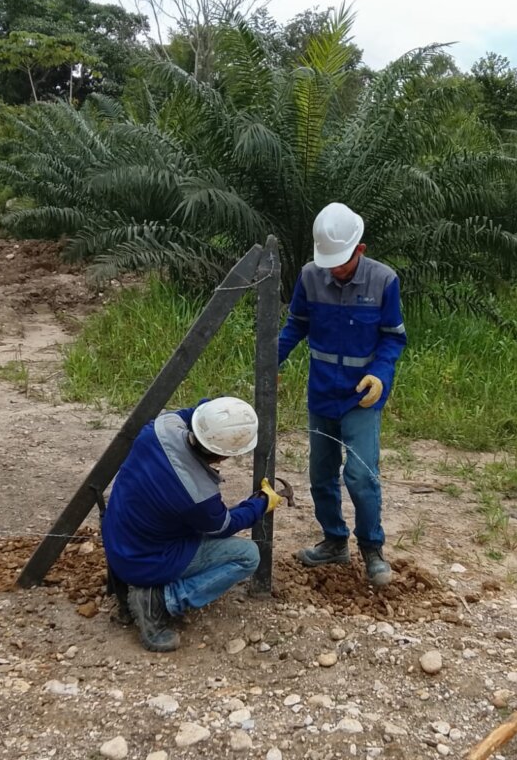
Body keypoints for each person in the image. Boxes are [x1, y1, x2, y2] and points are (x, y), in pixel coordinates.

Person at [278, 202, 407, 587]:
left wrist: (380, 376)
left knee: (361, 475)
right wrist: (270, 361)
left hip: (360, 397)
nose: (334, 270)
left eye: (342, 263)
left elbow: (392, 339)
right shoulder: (310, 276)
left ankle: (372, 548)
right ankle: (334, 541)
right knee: (321, 474)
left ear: (360, 249)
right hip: (322, 393)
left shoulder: (384, 281)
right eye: (329, 263)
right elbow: (296, 326)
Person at [102, 396, 284, 652]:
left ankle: (130, 583)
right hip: (143, 561)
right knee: (247, 556)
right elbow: (225, 525)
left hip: (117, 538)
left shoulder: (159, 428)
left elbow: (194, 413)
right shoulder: (199, 494)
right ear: (223, 456)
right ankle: (161, 599)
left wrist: (218, 412)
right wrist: (261, 504)